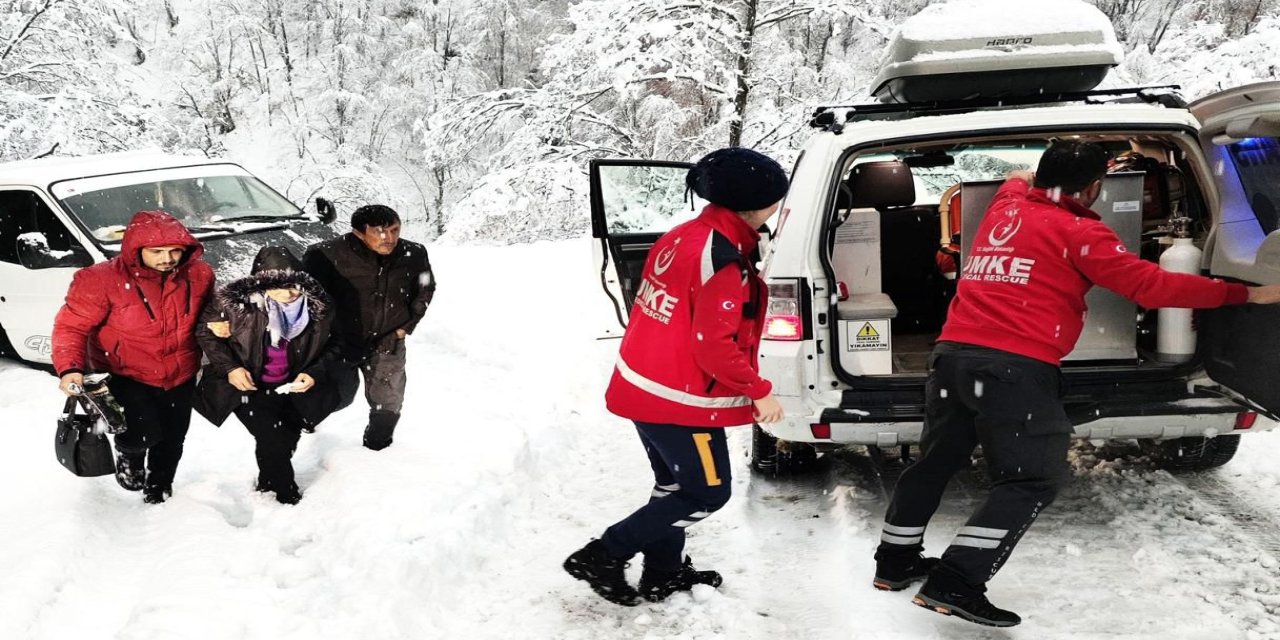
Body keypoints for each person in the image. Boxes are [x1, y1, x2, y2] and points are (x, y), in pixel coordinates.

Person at [872, 141, 1280, 627]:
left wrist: (1033, 174)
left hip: (952, 358)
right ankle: (956, 582)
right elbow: (1152, 286)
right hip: (1013, 367)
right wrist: (1247, 294)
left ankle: (894, 563)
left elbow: (1018, 178)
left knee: (936, 462)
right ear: (1093, 188)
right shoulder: (1081, 232)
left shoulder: (1009, 206)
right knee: (1031, 478)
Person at [563, 148, 789, 606]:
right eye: (775, 200)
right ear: (756, 204)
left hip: (643, 385)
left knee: (673, 487)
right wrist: (760, 392)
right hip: (680, 401)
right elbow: (714, 346)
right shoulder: (722, 261)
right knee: (706, 494)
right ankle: (602, 555)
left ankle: (662, 573)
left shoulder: (684, 235)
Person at [52, 210, 216, 504]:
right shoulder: (99, 280)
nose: (167, 258)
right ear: (135, 250)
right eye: (157, 252)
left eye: (174, 251)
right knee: (140, 433)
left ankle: (159, 488)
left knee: (172, 437)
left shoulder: (199, 275)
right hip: (124, 373)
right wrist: (70, 368)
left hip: (181, 372)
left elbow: (211, 314)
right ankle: (130, 459)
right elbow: (70, 327)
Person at [194, 247, 342, 505]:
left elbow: (337, 343)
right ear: (260, 283)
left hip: (291, 387)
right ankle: (288, 496)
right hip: (248, 388)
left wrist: (313, 372)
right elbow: (204, 334)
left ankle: (267, 481)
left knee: (286, 437)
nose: (288, 294)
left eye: (294, 285)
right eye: (277, 286)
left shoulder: (319, 307)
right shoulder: (235, 305)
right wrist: (231, 368)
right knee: (272, 437)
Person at [302, 205, 435, 451]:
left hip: (388, 338)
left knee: (389, 398)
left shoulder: (414, 253)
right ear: (359, 232)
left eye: (395, 230)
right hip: (339, 341)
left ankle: (377, 446)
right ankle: (306, 422)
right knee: (335, 394)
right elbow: (307, 299)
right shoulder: (325, 255)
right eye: (380, 231)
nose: (390, 238)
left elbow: (425, 287)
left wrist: (406, 326)